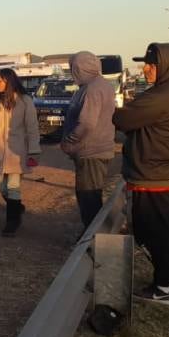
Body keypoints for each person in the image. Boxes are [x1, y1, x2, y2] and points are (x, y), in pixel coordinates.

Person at [114, 42, 169, 305]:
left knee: (153, 234)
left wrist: (111, 106)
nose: (145, 69)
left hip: (155, 178)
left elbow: (123, 120)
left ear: (165, 66)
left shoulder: (161, 94)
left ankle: (162, 288)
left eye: (151, 64)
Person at [0, 68, 41, 236]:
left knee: (13, 186)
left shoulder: (25, 100)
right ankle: (17, 206)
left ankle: (12, 222)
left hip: (17, 152)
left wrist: (34, 151)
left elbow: (32, 128)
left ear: (9, 81)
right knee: (2, 187)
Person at [60, 51, 117, 230]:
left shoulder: (92, 89)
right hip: (96, 149)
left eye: (73, 69)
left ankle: (92, 239)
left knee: (88, 198)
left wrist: (70, 141)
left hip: (91, 151)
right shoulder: (100, 85)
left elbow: (86, 123)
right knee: (91, 196)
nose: (72, 73)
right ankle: (93, 235)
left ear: (79, 68)